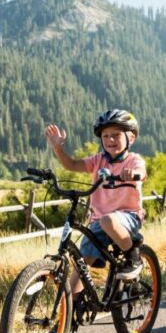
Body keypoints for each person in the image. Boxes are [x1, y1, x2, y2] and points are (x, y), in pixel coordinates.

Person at [44, 109, 147, 287]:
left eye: (116, 135)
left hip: (128, 216)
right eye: (105, 136)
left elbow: (141, 171)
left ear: (130, 138)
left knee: (108, 220)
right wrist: (57, 147)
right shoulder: (98, 160)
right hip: (98, 221)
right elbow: (72, 165)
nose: (110, 140)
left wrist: (132, 173)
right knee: (80, 267)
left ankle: (133, 258)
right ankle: (73, 303)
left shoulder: (133, 160)